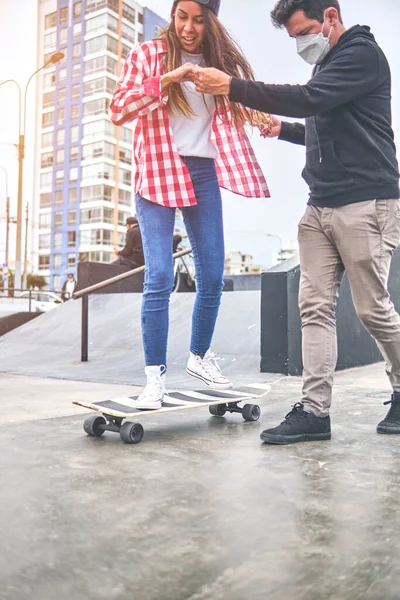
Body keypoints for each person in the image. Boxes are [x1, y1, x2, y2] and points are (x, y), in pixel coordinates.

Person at [193, 0, 400, 443]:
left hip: (367, 202)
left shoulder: (362, 55)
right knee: (315, 309)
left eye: (303, 31)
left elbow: (309, 99)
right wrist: (281, 130)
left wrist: (233, 85)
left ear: (330, 16)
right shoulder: (326, 67)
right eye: (291, 38)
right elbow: (324, 127)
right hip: (319, 206)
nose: (299, 44)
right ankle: (314, 411)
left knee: (372, 310)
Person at [109, 0, 271, 409]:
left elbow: (235, 105)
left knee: (213, 275)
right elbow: (119, 108)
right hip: (159, 168)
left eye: (199, 20)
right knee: (159, 275)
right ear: (173, 14)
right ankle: (154, 379)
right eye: (182, 17)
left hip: (202, 172)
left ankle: (199, 357)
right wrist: (168, 79)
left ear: (211, 22)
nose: (188, 28)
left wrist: (261, 119)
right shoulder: (148, 54)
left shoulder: (219, 62)